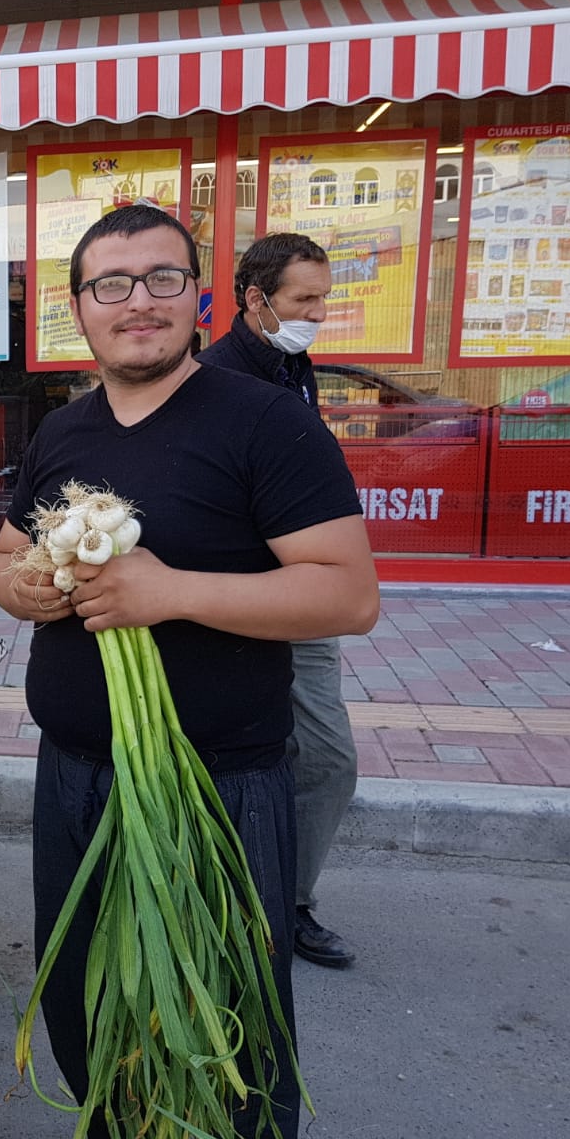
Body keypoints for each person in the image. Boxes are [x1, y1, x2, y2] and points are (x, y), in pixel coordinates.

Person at [0, 205, 378, 1139]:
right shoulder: (62, 428)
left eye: (162, 279)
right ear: (79, 309)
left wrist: (171, 593)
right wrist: (18, 584)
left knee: (229, 1022)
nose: (137, 304)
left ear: (200, 299)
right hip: (73, 780)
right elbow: (2, 552)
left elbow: (347, 592)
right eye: (109, 285)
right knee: (84, 1004)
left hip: (219, 785)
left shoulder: (266, 423)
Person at [196, 232, 361, 971]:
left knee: (326, 760)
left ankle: (288, 903)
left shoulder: (295, 364)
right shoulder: (212, 379)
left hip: (302, 601)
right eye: (305, 299)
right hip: (232, 605)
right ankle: (225, 905)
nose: (318, 313)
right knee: (228, 766)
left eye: (323, 298)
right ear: (255, 299)